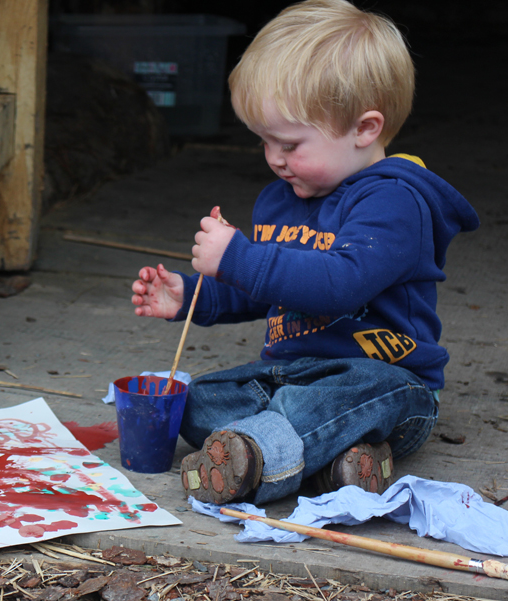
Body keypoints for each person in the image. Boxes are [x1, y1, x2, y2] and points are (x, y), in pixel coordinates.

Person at [130, 0, 479, 505]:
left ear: (365, 129)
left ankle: (257, 465)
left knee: (335, 399)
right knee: (197, 399)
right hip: (288, 377)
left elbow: (340, 285)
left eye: (290, 143)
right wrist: (191, 296)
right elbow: (266, 291)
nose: (275, 159)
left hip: (384, 383)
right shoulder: (282, 199)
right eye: (264, 141)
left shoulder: (395, 202)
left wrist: (238, 257)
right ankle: (340, 466)